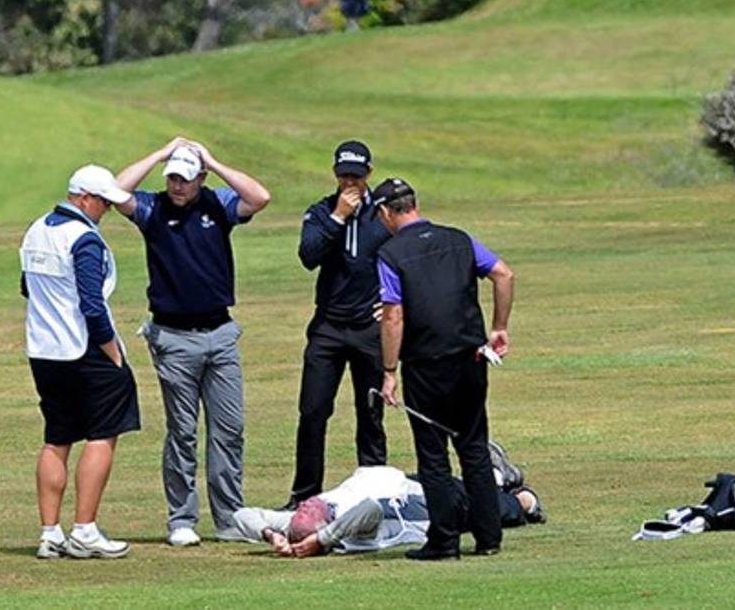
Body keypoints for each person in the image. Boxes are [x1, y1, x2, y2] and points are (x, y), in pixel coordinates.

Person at [114, 138, 271, 546]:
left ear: (200, 178)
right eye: (172, 178)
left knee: (229, 430)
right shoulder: (152, 208)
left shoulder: (218, 203)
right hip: (172, 338)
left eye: (185, 179)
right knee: (182, 431)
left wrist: (213, 161)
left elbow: (260, 197)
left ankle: (229, 518)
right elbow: (115, 191)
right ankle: (181, 519)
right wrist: (159, 153)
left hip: (220, 333)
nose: (177, 186)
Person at [373, 177, 516, 560]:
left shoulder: (390, 254)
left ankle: (445, 541)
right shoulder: (459, 239)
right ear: (414, 204)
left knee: (433, 455)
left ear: (386, 212)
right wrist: (499, 327)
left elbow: (393, 315)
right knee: (473, 446)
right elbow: (504, 274)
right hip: (471, 359)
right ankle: (488, 538)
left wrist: (389, 371)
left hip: (426, 365)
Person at [21, 165, 140, 559]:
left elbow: (27, 287)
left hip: (44, 351)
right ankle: (85, 530)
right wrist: (113, 352)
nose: (107, 209)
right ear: (84, 198)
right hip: (84, 348)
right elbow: (92, 305)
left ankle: (50, 533)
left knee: (56, 438)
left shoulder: (36, 229)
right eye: (103, 202)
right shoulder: (84, 239)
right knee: (103, 433)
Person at [282, 140, 391, 510]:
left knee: (370, 412)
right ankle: (304, 497)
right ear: (334, 174)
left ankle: (373, 496)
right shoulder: (321, 211)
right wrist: (338, 217)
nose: (350, 183)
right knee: (313, 411)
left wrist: (394, 304)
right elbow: (308, 256)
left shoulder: (383, 213)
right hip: (328, 326)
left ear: (369, 174)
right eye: (344, 176)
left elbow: (406, 259)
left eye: (356, 177)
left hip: (369, 328)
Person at [231, 441, 544, 558]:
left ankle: (498, 476)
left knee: (465, 482)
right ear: (320, 528)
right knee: (491, 505)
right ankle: (524, 498)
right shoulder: (349, 534)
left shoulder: (300, 522)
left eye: (302, 508)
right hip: (425, 507)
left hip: (404, 482)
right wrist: (322, 541)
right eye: (307, 513)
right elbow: (371, 509)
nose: (304, 505)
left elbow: (240, 514)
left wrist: (270, 534)